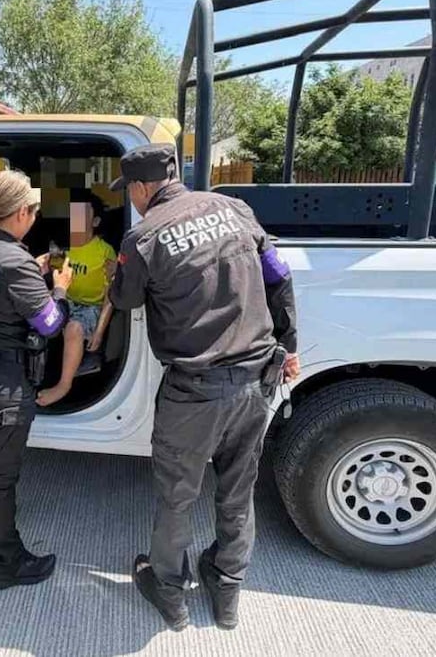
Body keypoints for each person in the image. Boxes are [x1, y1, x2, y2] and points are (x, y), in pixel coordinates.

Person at [108, 144, 299, 631]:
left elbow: (124, 299)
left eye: (129, 191)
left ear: (141, 187)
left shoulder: (144, 236)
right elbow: (279, 276)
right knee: (238, 488)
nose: (131, 200)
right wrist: (289, 343)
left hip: (195, 392)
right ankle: (227, 587)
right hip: (256, 381)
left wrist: (119, 273)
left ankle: (169, 591)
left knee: (178, 496)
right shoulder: (235, 209)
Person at [0, 169, 75, 590]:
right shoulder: (14, 261)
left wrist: (29, 272)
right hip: (4, 384)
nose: (35, 218)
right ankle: (8, 562)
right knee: (1, 479)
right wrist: (59, 288)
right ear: (21, 212)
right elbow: (49, 324)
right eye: (34, 212)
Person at [36, 193, 118, 406]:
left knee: (74, 328)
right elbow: (50, 274)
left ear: (95, 221)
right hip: (65, 301)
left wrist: (99, 331)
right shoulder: (63, 247)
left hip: (91, 307)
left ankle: (63, 386)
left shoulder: (105, 252)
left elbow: (111, 294)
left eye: (83, 214)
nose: (76, 218)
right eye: (74, 214)